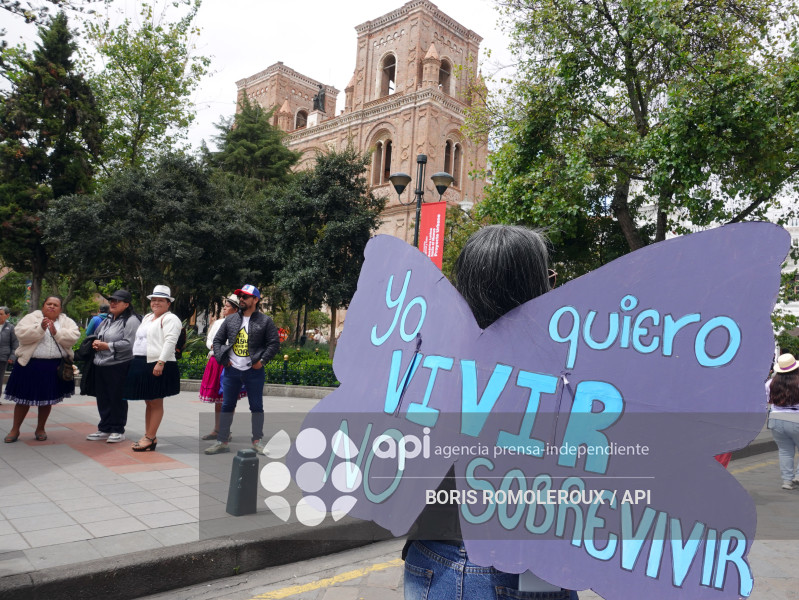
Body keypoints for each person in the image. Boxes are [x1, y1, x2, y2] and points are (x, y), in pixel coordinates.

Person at [403, 225, 578, 600]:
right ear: (538, 287)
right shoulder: (562, 373)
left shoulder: (426, 360)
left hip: (428, 556)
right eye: (550, 278)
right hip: (511, 571)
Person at [205, 284, 280, 455]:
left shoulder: (265, 321)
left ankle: (257, 441)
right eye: (240, 296)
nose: (241, 299)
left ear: (255, 299)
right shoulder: (230, 320)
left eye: (245, 297)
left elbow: (274, 343)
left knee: (256, 407)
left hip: (254, 371)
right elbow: (217, 341)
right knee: (227, 405)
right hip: (232, 371)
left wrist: (261, 361)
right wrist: (223, 360)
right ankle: (222, 441)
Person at [3, 296, 80, 443]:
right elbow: (21, 334)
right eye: (48, 304)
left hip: (53, 367)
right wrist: (41, 328)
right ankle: (15, 430)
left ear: (60, 309)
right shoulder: (32, 318)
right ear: (43, 306)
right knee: (23, 399)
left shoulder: (66, 321)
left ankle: (40, 429)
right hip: (29, 365)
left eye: (55, 305)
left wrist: (56, 332)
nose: (52, 306)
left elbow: (73, 337)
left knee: (46, 400)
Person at [123, 285, 181, 452]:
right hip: (142, 361)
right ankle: (150, 435)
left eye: (160, 300)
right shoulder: (148, 317)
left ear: (168, 303)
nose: (156, 303)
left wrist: (161, 362)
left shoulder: (171, 319)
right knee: (149, 401)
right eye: (154, 299)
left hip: (158, 363)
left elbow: (170, 341)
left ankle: (149, 437)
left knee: (155, 401)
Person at [85, 290, 141, 443]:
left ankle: (117, 429)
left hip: (119, 364)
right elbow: (96, 334)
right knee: (103, 397)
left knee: (116, 398)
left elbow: (130, 344)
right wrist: (96, 342)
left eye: (117, 301)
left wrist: (107, 345)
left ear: (126, 304)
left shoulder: (131, 320)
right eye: (111, 300)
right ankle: (104, 428)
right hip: (101, 363)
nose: (113, 303)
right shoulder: (108, 319)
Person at [199, 294, 243, 440]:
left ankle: (225, 431)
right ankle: (217, 429)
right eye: (224, 305)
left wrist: (222, 349)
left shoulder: (240, 324)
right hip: (216, 361)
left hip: (230, 362)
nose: (224, 308)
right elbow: (209, 340)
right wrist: (214, 347)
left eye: (228, 306)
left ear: (236, 309)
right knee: (219, 399)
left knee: (228, 399)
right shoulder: (218, 323)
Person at [767, 353, 799, 490]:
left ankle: (787, 481)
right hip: (796, 418)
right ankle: (798, 475)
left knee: (785, 451)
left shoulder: (770, 383)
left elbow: (767, 400)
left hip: (776, 418)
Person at [0, 306, 19, 398]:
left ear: (7, 316)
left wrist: (12, 356)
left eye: (1, 314)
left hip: (2, 357)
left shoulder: (11, 328)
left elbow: (15, 343)